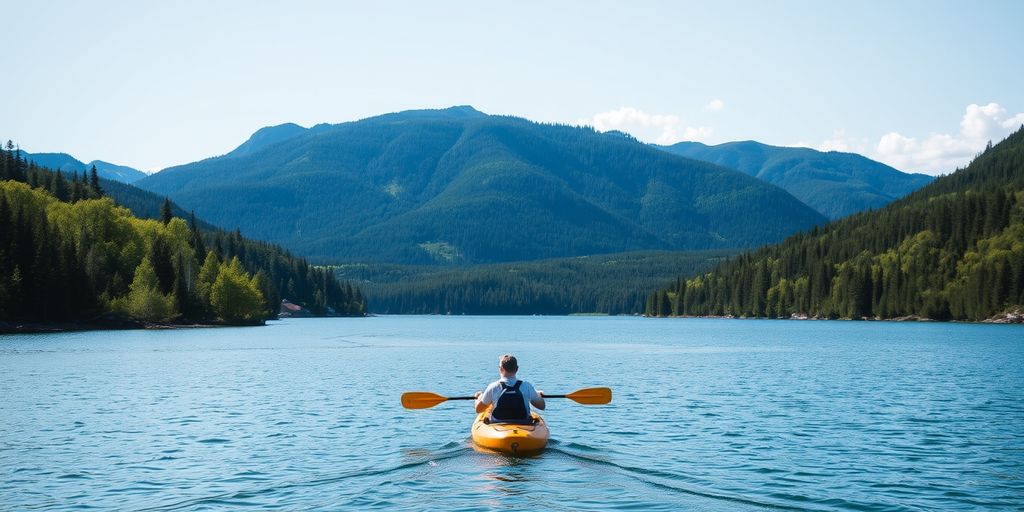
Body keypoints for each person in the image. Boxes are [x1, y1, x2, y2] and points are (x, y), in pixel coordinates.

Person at [474, 354, 545, 424]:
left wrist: (479, 397)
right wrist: (538, 395)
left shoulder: (493, 387)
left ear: (500, 369)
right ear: (517, 369)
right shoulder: (526, 386)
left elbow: (479, 409)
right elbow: (541, 406)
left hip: (498, 423)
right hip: (523, 422)